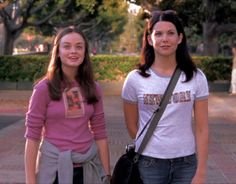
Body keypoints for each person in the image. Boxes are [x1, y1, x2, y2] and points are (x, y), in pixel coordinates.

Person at [121, 10, 209, 184]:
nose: (165, 39)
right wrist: (157, 145)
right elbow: (132, 127)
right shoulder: (135, 79)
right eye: (158, 34)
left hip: (186, 162)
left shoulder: (195, 77)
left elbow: (202, 128)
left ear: (180, 38)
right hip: (149, 162)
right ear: (149, 39)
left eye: (171, 33)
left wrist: (201, 172)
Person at [24, 26, 111, 184]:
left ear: (85, 52)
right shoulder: (43, 89)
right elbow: (32, 138)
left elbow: (100, 133)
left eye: (79, 46)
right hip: (54, 169)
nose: (73, 51)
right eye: (67, 46)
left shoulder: (94, 88)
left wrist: (106, 175)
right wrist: (30, 181)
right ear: (57, 52)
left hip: (88, 169)